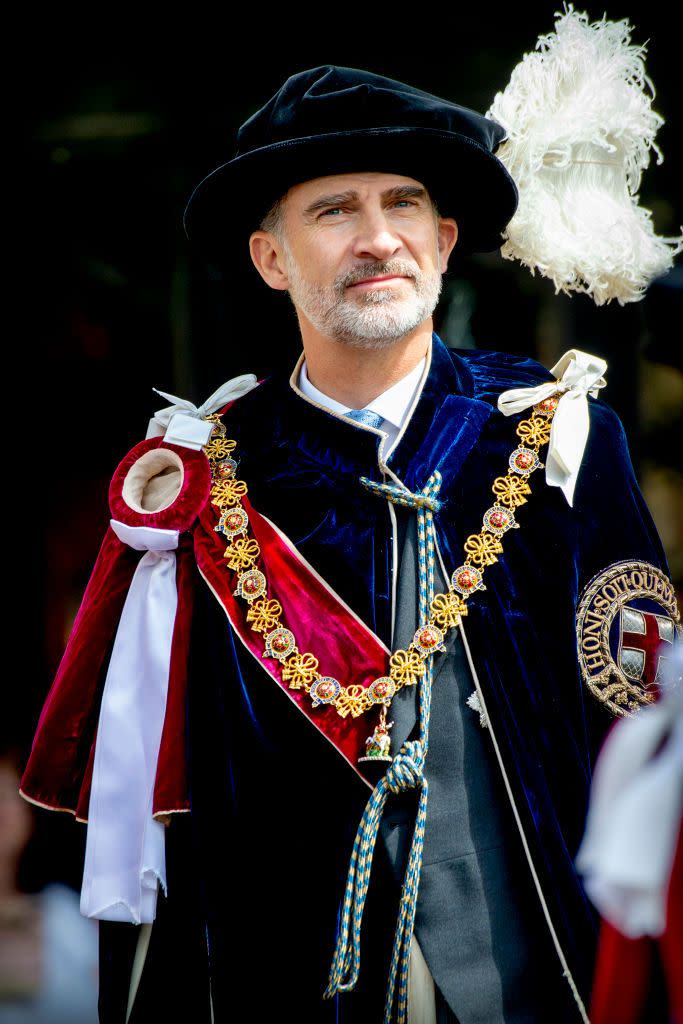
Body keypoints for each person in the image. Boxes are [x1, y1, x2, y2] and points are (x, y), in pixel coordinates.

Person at [19, 64, 680, 1024]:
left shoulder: (559, 444)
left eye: (403, 204)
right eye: (334, 211)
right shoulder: (202, 480)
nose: (378, 239)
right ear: (271, 259)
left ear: (444, 241)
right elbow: (160, 797)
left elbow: (639, 713)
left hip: (534, 972)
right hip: (280, 974)